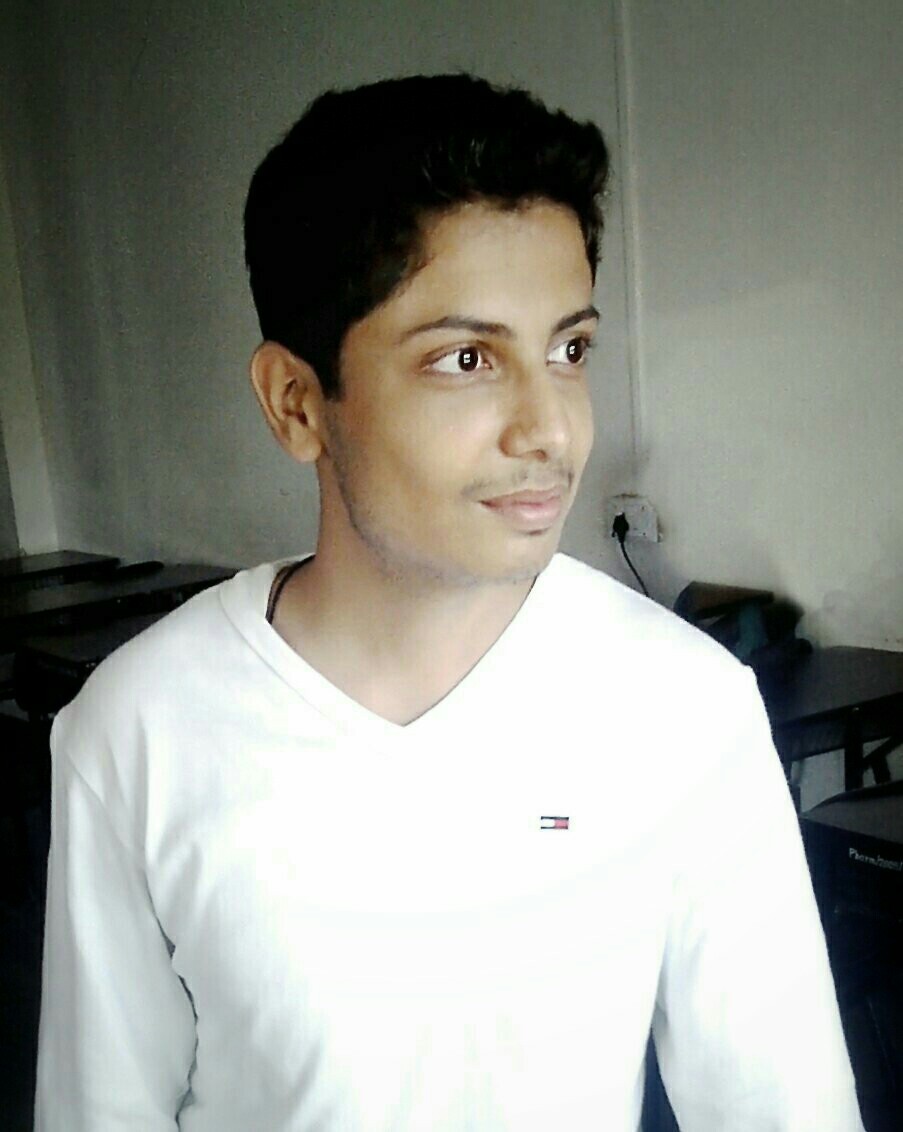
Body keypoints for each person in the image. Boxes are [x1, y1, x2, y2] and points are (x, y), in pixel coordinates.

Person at [35, 74, 864, 1131]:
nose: (550, 428)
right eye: (466, 359)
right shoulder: (137, 729)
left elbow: (781, 1110)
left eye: (568, 350)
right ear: (297, 403)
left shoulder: (684, 709)